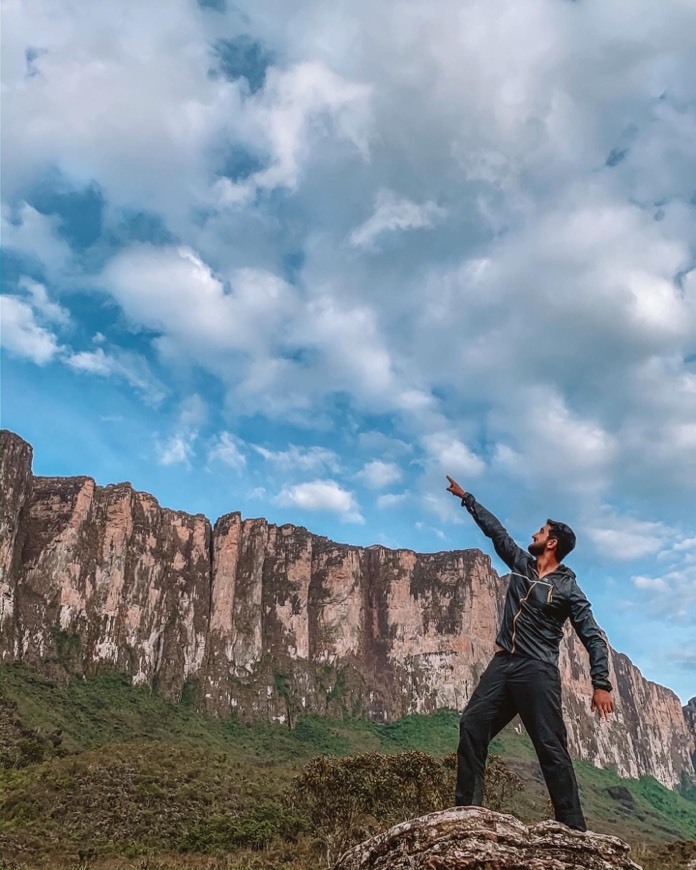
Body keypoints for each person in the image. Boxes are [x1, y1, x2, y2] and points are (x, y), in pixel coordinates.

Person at [445, 475, 613, 831]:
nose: (534, 534)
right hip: (502, 664)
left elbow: (594, 637)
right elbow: (497, 533)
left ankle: (573, 829)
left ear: (551, 542)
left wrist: (602, 684)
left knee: (550, 748)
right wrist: (467, 498)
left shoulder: (569, 589)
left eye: (540, 531)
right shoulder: (521, 566)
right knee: (472, 725)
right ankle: (468, 815)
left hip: (537, 672)